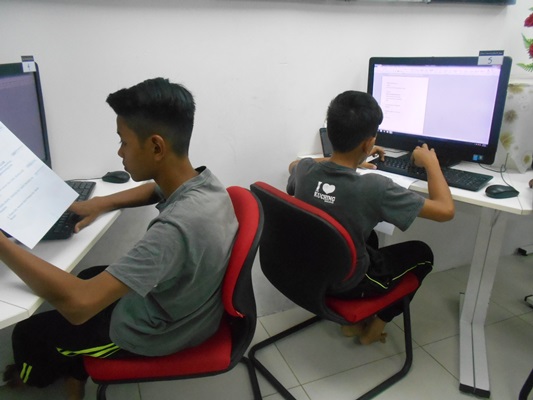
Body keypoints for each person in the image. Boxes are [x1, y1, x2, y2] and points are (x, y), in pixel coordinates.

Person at [0, 77, 238, 400]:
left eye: (124, 142)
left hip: (154, 331)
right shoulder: (205, 184)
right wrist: (101, 202)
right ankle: (76, 367)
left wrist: (2, 244)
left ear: (156, 147)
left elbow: (79, 306)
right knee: (87, 275)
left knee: (29, 333)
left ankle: (32, 376)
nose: (119, 151)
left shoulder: (174, 230)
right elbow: (156, 189)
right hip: (186, 305)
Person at [287, 90, 454, 345]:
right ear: (368, 143)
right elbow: (445, 211)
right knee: (423, 253)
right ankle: (375, 327)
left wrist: (353, 159)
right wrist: (431, 163)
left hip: (312, 271)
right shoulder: (375, 187)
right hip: (350, 282)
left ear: (330, 132)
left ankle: (352, 324)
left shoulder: (305, 169)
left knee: (370, 237)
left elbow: (293, 165)